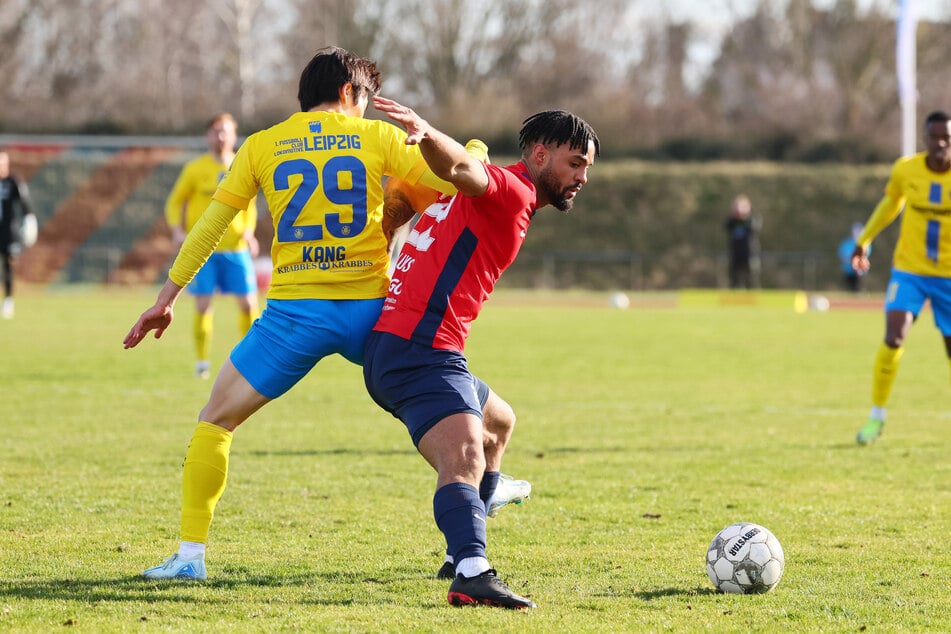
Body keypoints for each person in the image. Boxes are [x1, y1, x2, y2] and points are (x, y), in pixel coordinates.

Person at [123, 46, 529, 584]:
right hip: (375, 316)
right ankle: (479, 501)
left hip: (293, 317)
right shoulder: (378, 136)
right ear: (347, 91)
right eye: (366, 99)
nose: (367, 109)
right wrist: (474, 146)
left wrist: (166, 298)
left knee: (215, 421)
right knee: (452, 401)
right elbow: (455, 179)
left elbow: (211, 226)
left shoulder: (261, 145)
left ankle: (190, 556)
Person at [363, 97, 599, 609]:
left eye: (587, 167)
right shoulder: (512, 191)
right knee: (465, 457)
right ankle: (472, 569)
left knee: (499, 424)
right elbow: (463, 169)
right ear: (540, 155)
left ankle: (462, 539)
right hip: (420, 351)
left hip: (406, 346)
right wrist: (427, 132)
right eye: (575, 163)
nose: (583, 177)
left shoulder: (505, 193)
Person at [851, 110, 951, 445]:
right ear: (925, 139)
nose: (940, 143)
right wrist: (865, 239)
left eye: (947, 138)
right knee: (894, 337)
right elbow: (891, 203)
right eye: (935, 137)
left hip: (949, 277)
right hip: (910, 271)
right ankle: (876, 416)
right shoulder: (906, 170)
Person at [165, 113, 260, 379]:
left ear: (234, 135)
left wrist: (249, 232)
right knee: (203, 305)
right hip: (204, 252)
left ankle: (250, 362)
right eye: (216, 131)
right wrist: (176, 230)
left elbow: (251, 205)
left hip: (236, 249)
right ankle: (202, 363)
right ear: (207, 136)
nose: (220, 137)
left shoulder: (242, 165)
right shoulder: (194, 169)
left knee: (249, 305)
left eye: (225, 131)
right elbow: (174, 202)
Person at [0, 149, 35, 319]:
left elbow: (24, 202)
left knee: (8, 265)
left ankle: (8, 302)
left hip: (8, 232)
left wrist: (29, 220)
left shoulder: (13, 182)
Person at [724, 194, 761, 289]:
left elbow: (754, 228)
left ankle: (752, 293)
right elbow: (727, 226)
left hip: (749, 253)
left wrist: (744, 218)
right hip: (735, 252)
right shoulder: (732, 221)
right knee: (734, 277)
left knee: (751, 276)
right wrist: (735, 216)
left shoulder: (753, 219)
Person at [838, 222, 868, 292]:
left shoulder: (865, 243)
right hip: (848, 270)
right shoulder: (847, 243)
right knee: (850, 288)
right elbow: (843, 254)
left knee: (858, 288)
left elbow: (865, 254)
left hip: (860, 271)